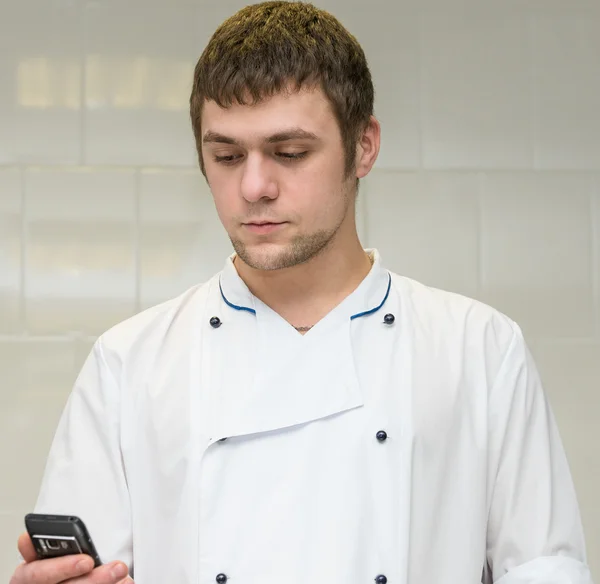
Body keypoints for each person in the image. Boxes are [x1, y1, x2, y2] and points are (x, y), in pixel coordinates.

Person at [10, 1, 594, 583]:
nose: (255, 186)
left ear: (363, 147)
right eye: (226, 156)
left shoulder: (480, 351)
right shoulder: (128, 365)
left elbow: (546, 569)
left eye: (290, 154)